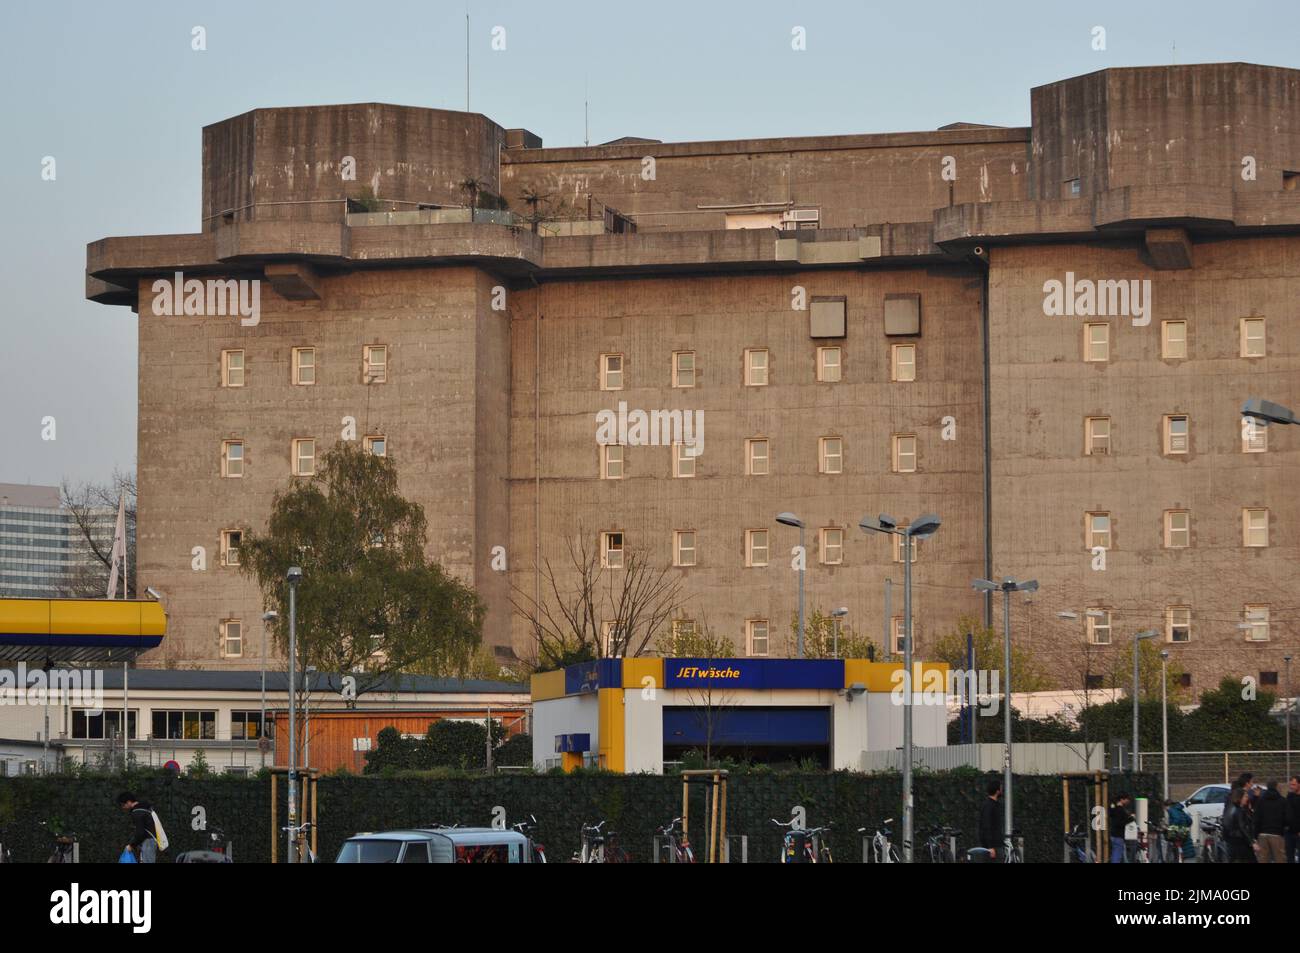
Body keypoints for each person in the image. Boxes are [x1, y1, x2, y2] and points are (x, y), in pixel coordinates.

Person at [117, 792, 161, 863]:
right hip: (151, 840)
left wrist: (131, 845)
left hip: (147, 842)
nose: (123, 807)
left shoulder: (137, 812)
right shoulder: (146, 809)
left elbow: (140, 832)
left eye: (123, 805)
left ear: (128, 802)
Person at [1254, 780, 1287, 862]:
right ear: (1276, 787)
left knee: (1263, 859)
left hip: (1262, 834)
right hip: (1277, 834)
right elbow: (1287, 818)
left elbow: (1256, 818)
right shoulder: (1282, 801)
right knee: (1280, 859)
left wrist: (1255, 835)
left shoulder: (1261, 801)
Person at [1223, 788, 1255, 863]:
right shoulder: (1239, 810)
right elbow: (1242, 827)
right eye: (1245, 796)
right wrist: (1251, 842)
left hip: (1231, 842)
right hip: (1241, 843)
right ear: (1240, 798)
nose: (1247, 798)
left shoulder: (1230, 808)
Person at [977, 779, 1003, 860]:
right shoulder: (989, 805)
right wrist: (990, 847)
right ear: (997, 791)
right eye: (1001, 788)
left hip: (996, 845)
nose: (1002, 790)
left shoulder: (995, 804)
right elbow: (986, 826)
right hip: (992, 847)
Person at [1108, 793, 1133, 863]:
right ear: (1122, 799)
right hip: (1118, 835)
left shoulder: (1114, 809)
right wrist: (1131, 818)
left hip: (1114, 834)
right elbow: (1120, 823)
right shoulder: (1120, 810)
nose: (1128, 801)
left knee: (1116, 853)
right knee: (1117, 854)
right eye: (1127, 799)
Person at [1286, 775, 1299, 864]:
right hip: (1289, 833)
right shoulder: (1289, 796)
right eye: (1291, 784)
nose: (1291, 787)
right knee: (1289, 858)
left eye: (1293, 784)